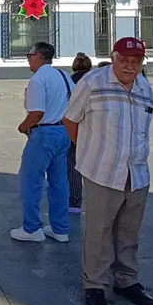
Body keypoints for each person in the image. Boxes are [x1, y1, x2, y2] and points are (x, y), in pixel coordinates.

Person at [63, 37, 153, 305]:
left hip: (137, 173)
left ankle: (127, 279)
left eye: (136, 62)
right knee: (99, 231)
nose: (130, 67)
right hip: (102, 171)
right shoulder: (93, 83)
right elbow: (70, 120)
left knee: (129, 232)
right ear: (114, 57)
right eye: (124, 61)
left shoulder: (145, 88)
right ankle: (95, 284)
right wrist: (89, 150)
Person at [11, 42, 73, 243]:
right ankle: (60, 228)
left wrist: (23, 126)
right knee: (59, 181)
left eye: (29, 55)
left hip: (44, 133)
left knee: (31, 181)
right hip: (63, 131)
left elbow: (37, 112)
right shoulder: (65, 77)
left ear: (38, 56)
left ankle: (32, 228)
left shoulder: (38, 79)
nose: (28, 59)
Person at [68, 52, 92, 213]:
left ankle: (75, 201)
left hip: (75, 125)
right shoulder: (95, 80)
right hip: (93, 127)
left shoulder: (71, 80)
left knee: (73, 166)